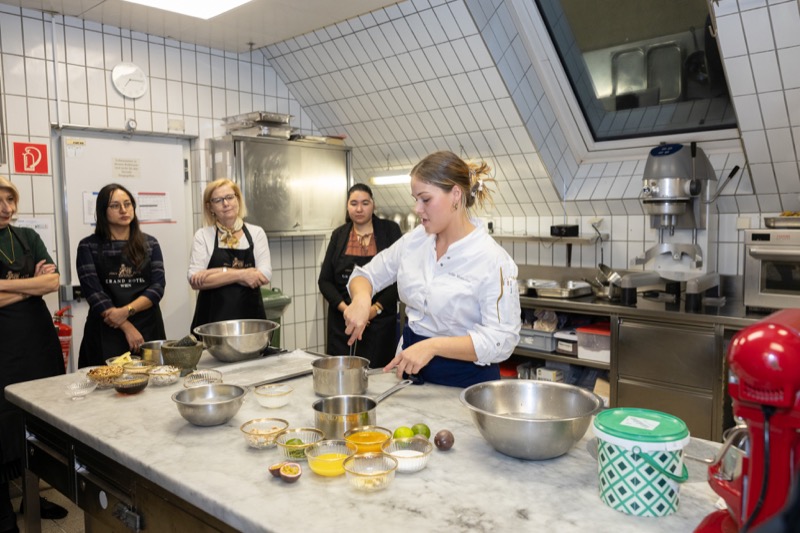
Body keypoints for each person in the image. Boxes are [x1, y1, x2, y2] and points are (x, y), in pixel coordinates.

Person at [343, 151, 521, 387]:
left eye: (425, 199)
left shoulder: (492, 259)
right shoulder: (415, 240)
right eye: (415, 199)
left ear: (456, 194)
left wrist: (433, 346)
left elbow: (502, 339)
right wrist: (361, 299)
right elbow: (365, 275)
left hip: (466, 385)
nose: (417, 208)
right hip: (409, 376)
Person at [0, 177, 67, 532]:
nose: (6, 208)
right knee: (4, 423)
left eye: (10, 200)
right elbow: (40, 284)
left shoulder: (27, 236)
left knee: (38, 419)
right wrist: (31, 286)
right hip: (3, 347)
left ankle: (33, 498)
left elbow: (52, 282)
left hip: (38, 341)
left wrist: (10, 288)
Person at [76, 183, 166, 367]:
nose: (123, 210)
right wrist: (126, 326)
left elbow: (157, 288)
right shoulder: (88, 246)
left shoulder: (150, 244)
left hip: (148, 327)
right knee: (106, 381)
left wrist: (125, 311)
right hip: (106, 329)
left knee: (153, 379)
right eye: (115, 206)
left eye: (127, 204)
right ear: (103, 211)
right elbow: (94, 294)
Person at [319, 184, 402, 365]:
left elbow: (399, 278)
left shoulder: (390, 231)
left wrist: (373, 310)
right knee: (342, 372)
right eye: (354, 203)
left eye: (365, 203)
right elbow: (325, 281)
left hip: (379, 323)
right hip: (342, 324)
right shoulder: (339, 235)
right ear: (347, 207)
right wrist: (348, 310)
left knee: (378, 374)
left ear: (373, 205)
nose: (359, 209)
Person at [188, 179, 271, 331]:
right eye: (218, 200)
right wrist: (242, 275)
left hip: (250, 323)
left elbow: (264, 276)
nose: (225, 204)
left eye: (230, 197)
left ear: (238, 199)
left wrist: (214, 272)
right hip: (212, 324)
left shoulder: (256, 233)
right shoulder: (203, 235)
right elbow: (195, 280)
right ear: (210, 207)